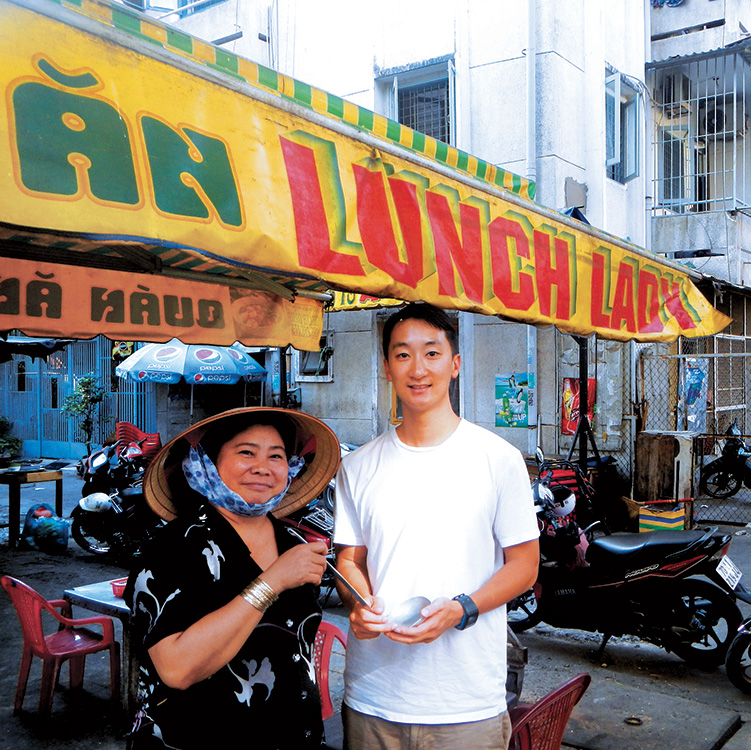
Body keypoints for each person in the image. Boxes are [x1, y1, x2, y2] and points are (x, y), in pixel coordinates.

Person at [333, 303, 540, 750]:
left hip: (465, 703)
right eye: (403, 355)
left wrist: (462, 609)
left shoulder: (497, 459)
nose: (418, 368)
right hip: (373, 698)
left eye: (432, 352)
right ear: (387, 368)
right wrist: (359, 603)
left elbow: (524, 565)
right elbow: (350, 559)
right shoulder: (357, 465)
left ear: (455, 364)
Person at [126, 408, 341, 749]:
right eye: (246, 452)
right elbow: (177, 669)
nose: (262, 467)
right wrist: (271, 583)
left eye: (276, 456)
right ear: (207, 462)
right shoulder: (172, 547)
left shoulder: (294, 544)